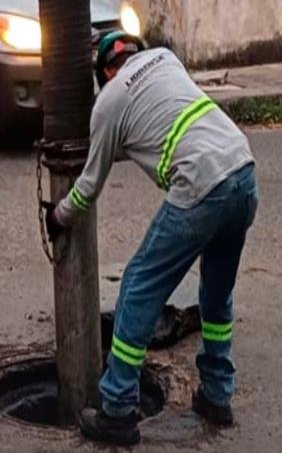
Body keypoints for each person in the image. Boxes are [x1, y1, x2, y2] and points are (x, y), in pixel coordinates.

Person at [46, 32, 257, 446]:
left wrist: (58, 215)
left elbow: (87, 188)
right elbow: (153, 123)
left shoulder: (108, 101)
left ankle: (118, 408)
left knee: (139, 286)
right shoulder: (165, 57)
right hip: (243, 170)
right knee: (216, 295)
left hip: (201, 184)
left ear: (105, 72)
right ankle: (217, 395)